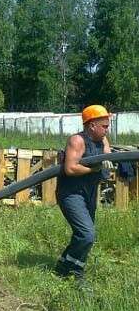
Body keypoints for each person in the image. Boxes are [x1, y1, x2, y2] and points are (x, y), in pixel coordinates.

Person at [55, 105, 114, 280]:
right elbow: (70, 169)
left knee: (84, 235)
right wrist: (94, 169)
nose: (107, 129)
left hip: (89, 193)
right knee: (87, 235)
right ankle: (67, 268)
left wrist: (106, 164)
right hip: (71, 194)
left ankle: (71, 269)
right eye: (104, 126)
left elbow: (107, 162)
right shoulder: (77, 141)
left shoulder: (103, 141)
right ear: (92, 125)